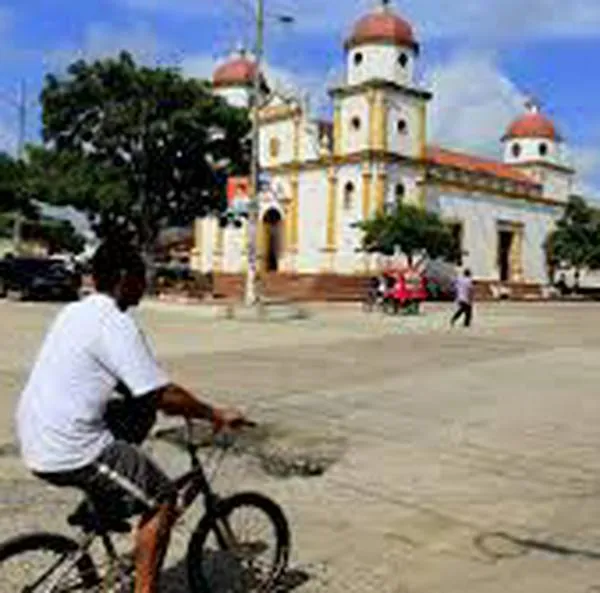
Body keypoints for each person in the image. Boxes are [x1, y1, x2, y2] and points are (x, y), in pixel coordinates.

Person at [15, 238, 246, 593]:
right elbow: (161, 395)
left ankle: (103, 506)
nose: (146, 283)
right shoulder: (115, 322)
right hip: (71, 447)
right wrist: (212, 413)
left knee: (136, 412)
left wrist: (154, 395)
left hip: (35, 432)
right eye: (142, 275)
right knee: (163, 498)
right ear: (125, 278)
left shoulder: (75, 311)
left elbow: (137, 390)